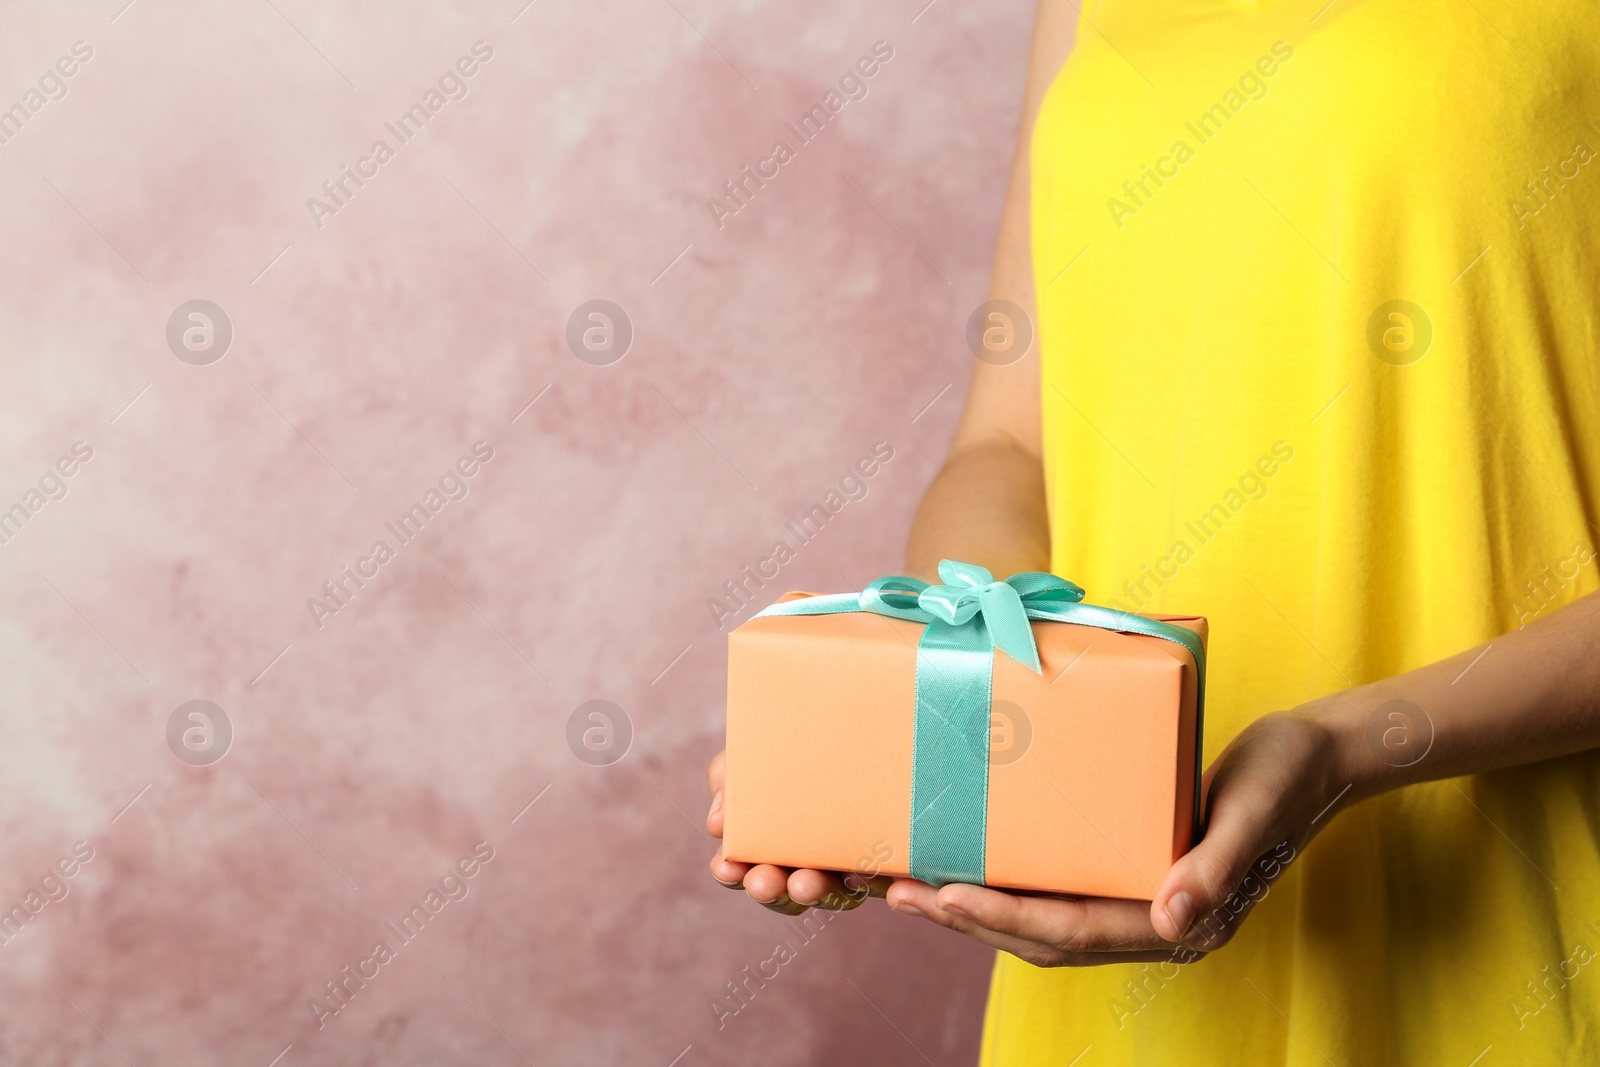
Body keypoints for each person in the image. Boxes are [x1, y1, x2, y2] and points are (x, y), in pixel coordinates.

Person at [708, 0, 1600, 1061]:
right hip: (1116, 956)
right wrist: (970, 711)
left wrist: (1346, 747)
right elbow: (1007, 448)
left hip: (1510, 928)